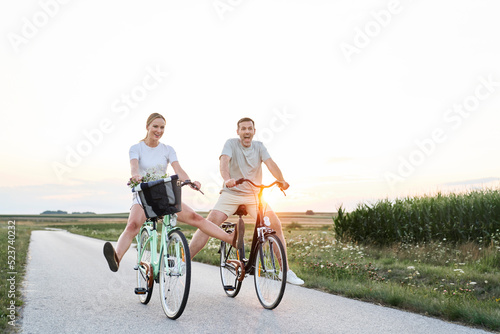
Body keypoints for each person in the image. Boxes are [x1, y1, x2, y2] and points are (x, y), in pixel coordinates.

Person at [103, 113, 242, 272]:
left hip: (163, 193)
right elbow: (134, 166)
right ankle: (116, 258)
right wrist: (136, 175)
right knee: (133, 225)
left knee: (195, 217)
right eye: (155, 126)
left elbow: (178, 169)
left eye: (162, 127)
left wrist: (189, 181)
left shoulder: (167, 150)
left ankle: (231, 239)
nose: (159, 130)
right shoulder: (136, 148)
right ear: (147, 127)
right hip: (144, 195)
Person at [189, 117, 304, 285]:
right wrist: (227, 179)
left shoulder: (259, 147)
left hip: (254, 196)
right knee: (210, 222)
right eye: (243, 129)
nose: (246, 132)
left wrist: (281, 180)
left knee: (275, 224)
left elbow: (270, 163)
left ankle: (285, 271)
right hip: (231, 193)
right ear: (238, 132)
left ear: (254, 131)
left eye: (249, 128)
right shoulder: (231, 144)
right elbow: (224, 162)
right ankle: (183, 262)